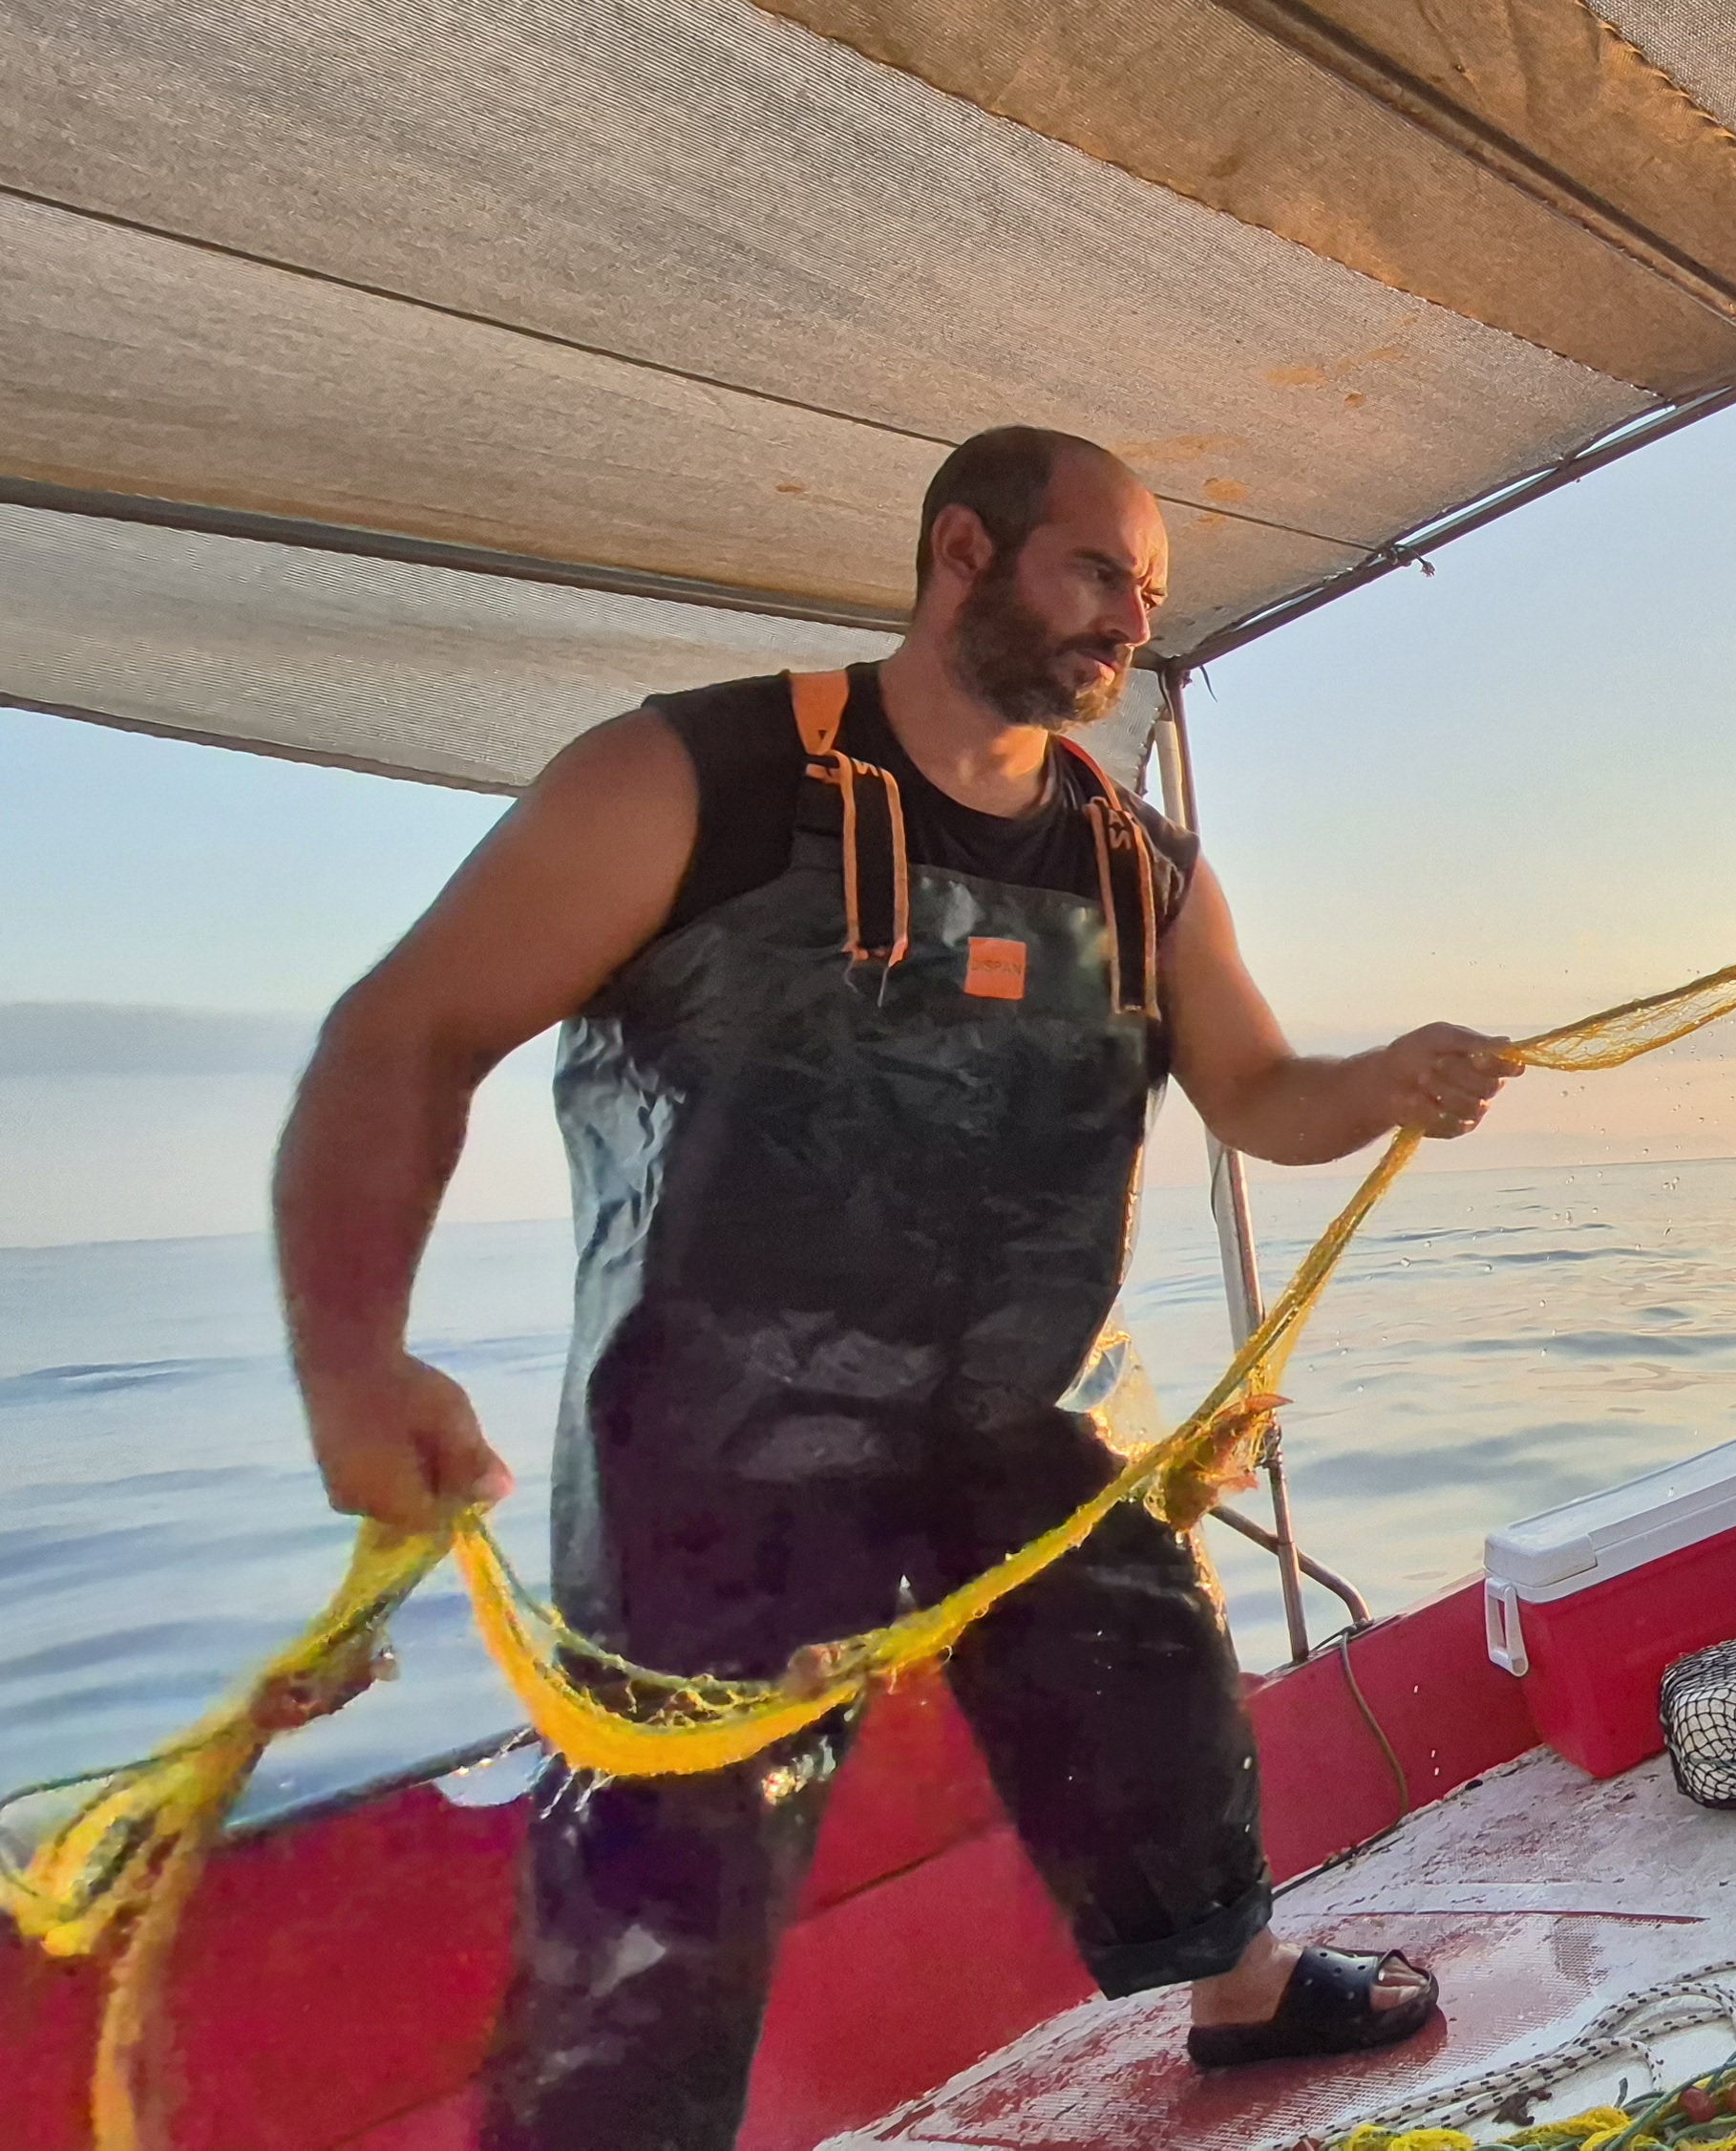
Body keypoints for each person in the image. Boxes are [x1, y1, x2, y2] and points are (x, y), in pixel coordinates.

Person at [271, 426, 1510, 2148]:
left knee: (1156, 1681)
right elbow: (404, 1033)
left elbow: (1256, 1094)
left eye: (1151, 597)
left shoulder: (1138, 860)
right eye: (1097, 573)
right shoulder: (687, 777)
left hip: (1031, 1409)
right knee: (668, 1857)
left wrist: (1382, 1081)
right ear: (962, 553)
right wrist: (354, 1361)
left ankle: (1237, 1991)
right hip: (717, 1442)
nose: (1129, 624)